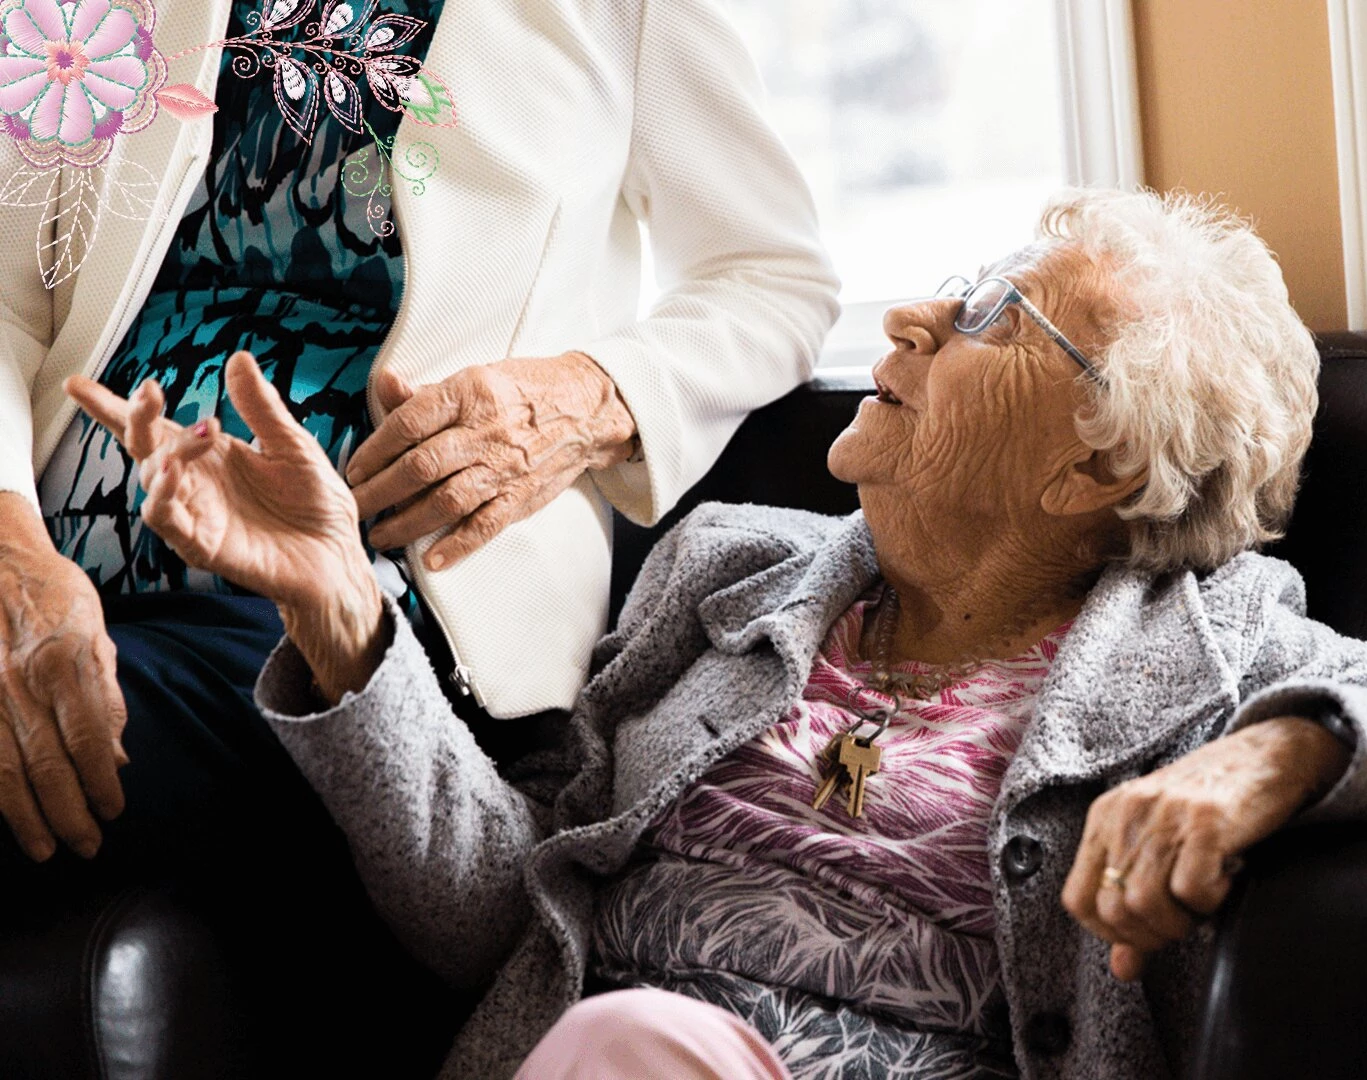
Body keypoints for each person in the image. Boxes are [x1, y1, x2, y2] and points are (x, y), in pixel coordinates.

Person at [71, 189, 1367, 1080]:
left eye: (993, 315)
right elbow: (498, 918)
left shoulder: (1211, 649)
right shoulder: (727, 574)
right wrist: (342, 610)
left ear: (1094, 465)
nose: (912, 321)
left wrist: (1287, 753)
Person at [0, 0, 833, 1069]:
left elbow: (772, 277)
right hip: (61, 579)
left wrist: (587, 396)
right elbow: (9, 295)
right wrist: (12, 554)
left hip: (365, 614)